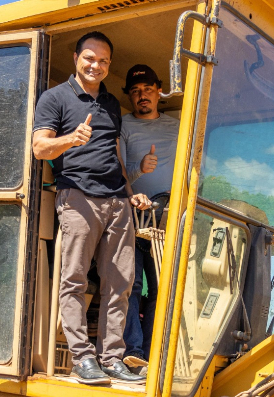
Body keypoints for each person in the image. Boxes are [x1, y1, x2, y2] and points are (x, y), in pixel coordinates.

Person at [32, 32, 151, 385]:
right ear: (76, 58)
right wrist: (71, 139)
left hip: (116, 200)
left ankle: (112, 358)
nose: (96, 65)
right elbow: (40, 148)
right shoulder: (54, 98)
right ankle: (82, 359)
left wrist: (129, 193)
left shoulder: (112, 104)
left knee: (121, 283)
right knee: (74, 279)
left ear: (108, 65)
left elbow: (115, 153)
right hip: (78, 197)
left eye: (103, 61)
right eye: (90, 58)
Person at [119, 64, 179, 374]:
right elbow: (117, 174)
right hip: (134, 214)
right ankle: (134, 351)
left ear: (159, 90)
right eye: (135, 91)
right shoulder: (123, 125)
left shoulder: (178, 126)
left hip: (169, 216)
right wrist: (141, 169)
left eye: (147, 89)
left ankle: (155, 353)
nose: (142, 95)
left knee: (162, 287)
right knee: (129, 283)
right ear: (129, 96)